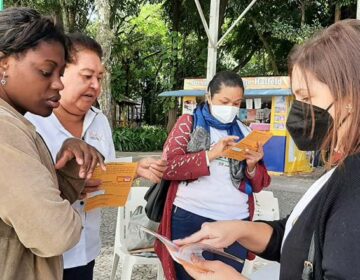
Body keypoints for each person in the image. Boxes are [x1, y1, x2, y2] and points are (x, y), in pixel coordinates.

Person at [176, 19, 360, 280]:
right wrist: (239, 230)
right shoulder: (341, 167)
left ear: (350, 98)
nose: (299, 109)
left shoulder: (355, 183)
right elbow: (298, 237)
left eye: (306, 97)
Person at [26, 33, 166, 280]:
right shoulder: (30, 122)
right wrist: (66, 184)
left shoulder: (99, 121)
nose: (96, 86)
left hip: (86, 248)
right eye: (87, 76)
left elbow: (106, 171)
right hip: (40, 255)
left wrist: (135, 170)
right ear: (60, 73)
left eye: (99, 78)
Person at [0, 7, 107, 280]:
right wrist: (68, 219)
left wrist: (67, 174)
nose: (58, 84)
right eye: (47, 72)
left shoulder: (19, 122)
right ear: (3, 64)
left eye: (60, 73)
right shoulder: (5, 128)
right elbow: (54, 234)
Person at [155, 71, 271, 280]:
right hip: (190, 216)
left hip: (235, 222)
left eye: (236, 103)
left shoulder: (245, 133)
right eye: (224, 101)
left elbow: (260, 183)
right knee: (188, 275)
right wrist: (211, 154)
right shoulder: (188, 123)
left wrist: (252, 165)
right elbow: (169, 167)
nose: (230, 108)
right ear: (209, 97)